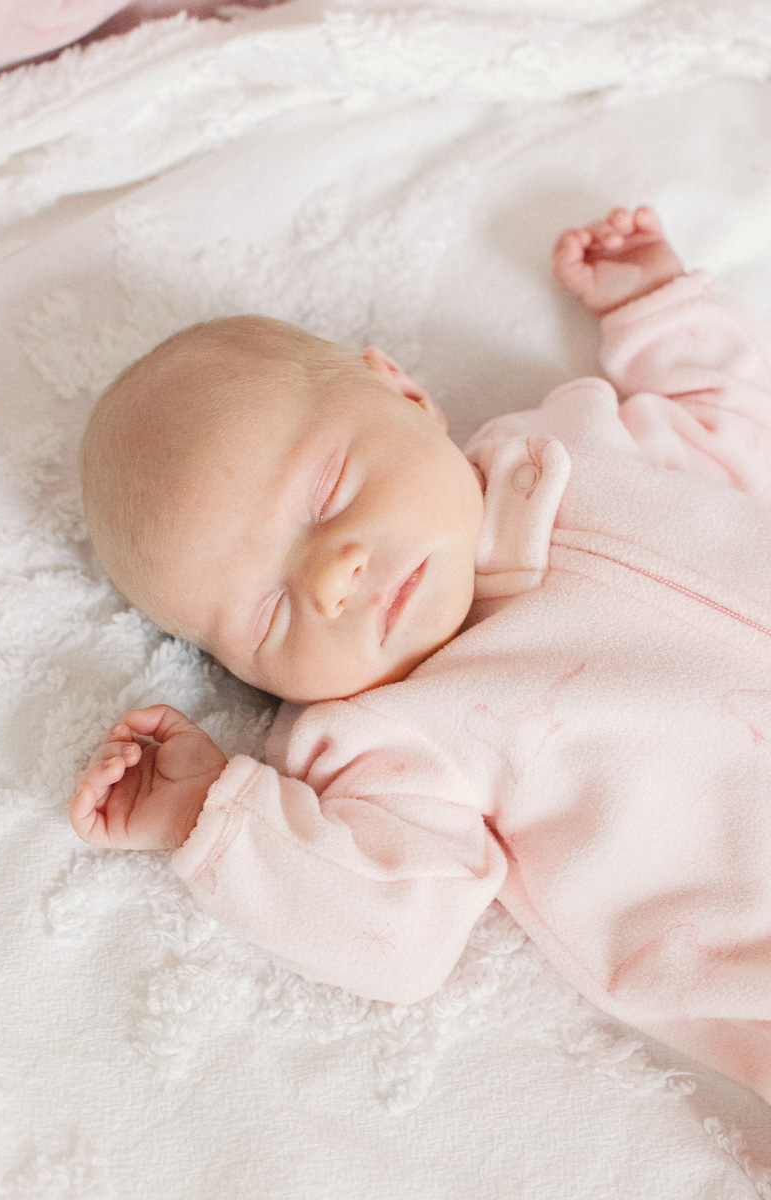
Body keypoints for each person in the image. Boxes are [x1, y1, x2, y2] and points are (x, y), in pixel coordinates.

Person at [70, 207, 771, 1103]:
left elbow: (732, 428)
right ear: (247, 676)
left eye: (328, 495)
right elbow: (398, 932)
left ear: (404, 394)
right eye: (271, 612)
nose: (333, 578)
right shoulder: (393, 742)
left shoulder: (569, 446)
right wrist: (212, 812)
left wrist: (659, 309)